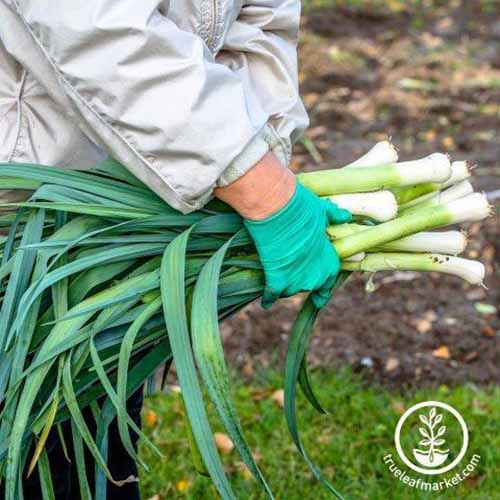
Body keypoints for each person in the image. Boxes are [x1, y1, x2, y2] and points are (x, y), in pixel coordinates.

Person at [0, 1, 350, 498]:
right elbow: (96, 26)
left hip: (103, 231)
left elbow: (259, 22)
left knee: (83, 442)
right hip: (21, 219)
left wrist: (262, 148)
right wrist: (261, 189)